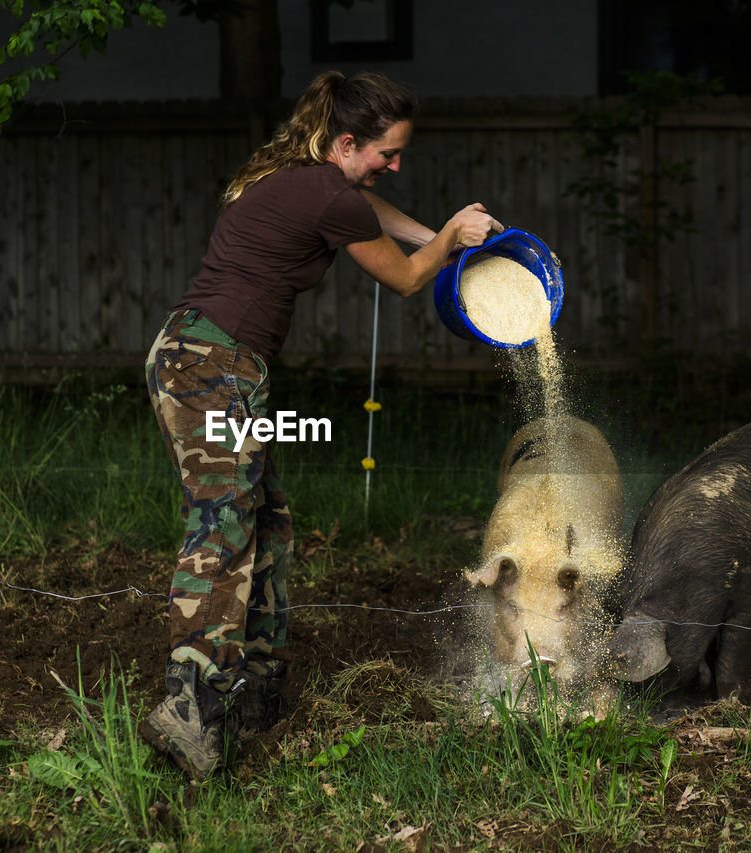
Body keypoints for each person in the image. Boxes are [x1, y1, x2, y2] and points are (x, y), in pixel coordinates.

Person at [140, 70, 503, 779]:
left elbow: (367, 208)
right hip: (208, 366)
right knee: (225, 524)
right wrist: (452, 233)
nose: (394, 164)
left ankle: (255, 692)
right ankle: (189, 704)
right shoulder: (324, 189)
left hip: (208, 360)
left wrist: (438, 236)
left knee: (266, 519)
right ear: (345, 141)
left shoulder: (307, 176)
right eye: (386, 152)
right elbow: (402, 278)